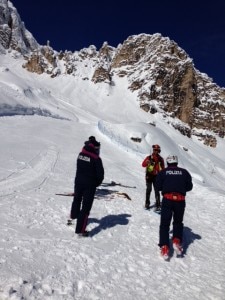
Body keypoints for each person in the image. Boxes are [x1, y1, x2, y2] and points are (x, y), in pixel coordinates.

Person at [156, 154, 193, 260]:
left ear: (168, 162)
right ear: (176, 162)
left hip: (167, 199)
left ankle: (164, 246)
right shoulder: (184, 172)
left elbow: (158, 186)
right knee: (178, 222)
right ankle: (176, 240)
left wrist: (166, 186)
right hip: (180, 200)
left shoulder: (163, 172)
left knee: (164, 224)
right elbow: (189, 187)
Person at [70, 137, 104, 237]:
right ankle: (80, 230)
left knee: (77, 199)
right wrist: (96, 183)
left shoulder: (81, 154)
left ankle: (74, 216)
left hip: (78, 181)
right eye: (97, 148)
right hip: (89, 185)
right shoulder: (96, 159)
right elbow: (100, 175)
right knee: (86, 207)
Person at [142, 144, 165, 210]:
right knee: (149, 189)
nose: (156, 151)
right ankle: (147, 203)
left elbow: (163, 168)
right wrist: (147, 162)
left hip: (157, 176)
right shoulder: (149, 157)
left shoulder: (161, 159)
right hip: (149, 175)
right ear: (153, 150)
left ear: (159, 150)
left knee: (156, 190)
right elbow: (143, 165)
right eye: (155, 150)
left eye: (157, 150)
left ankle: (158, 205)